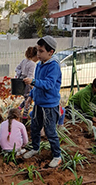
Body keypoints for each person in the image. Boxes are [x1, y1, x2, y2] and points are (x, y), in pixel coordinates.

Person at [23, 35, 62, 168]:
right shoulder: (40, 64)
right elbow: (37, 85)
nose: (38, 54)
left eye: (41, 51)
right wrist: (30, 97)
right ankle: (35, 148)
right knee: (34, 127)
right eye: (37, 50)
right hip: (39, 104)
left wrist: (33, 81)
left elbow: (49, 84)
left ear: (50, 52)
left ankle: (57, 156)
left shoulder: (53, 66)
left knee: (50, 131)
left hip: (50, 105)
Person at [15, 46, 38, 120]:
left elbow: (17, 68)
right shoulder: (32, 64)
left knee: (26, 98)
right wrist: (32, 85)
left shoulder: (24, 61)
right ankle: (24, 115)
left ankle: (19, 108)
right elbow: (30, 76)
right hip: (27, 82)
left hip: (22, 81)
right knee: (29, 99)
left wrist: (19, 75)